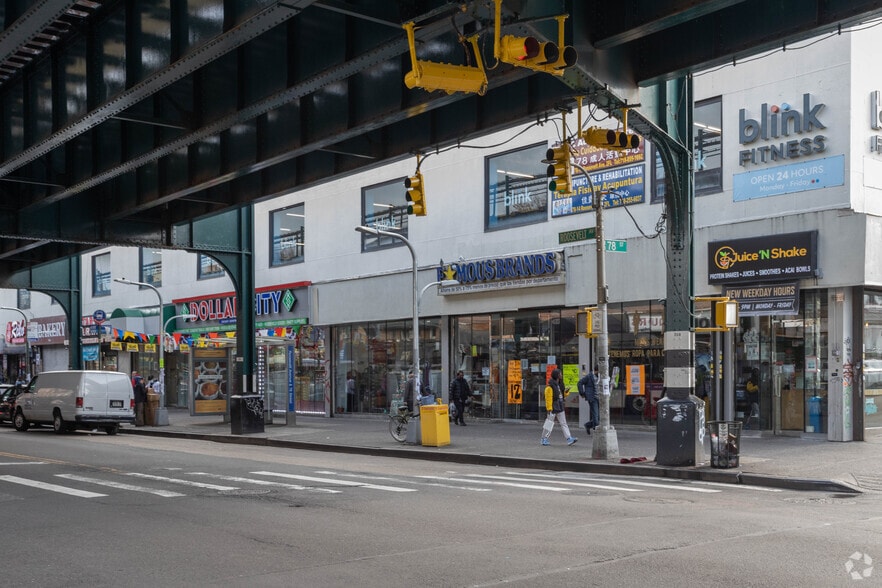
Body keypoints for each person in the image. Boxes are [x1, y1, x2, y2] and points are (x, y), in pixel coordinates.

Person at [541, 368, 577, 446]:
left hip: (559, 405)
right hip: (553, 407)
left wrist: (566, 392)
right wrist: (549, 408)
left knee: (563, 423)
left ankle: (569, 438)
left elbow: (562, 395)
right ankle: (544, 439)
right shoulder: (550, 386)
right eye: (560, 374)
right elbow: (548, 398)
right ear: (557, 375)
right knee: (549, 423)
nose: (561, 375)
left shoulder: (560, 384)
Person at [578, 365, 599, 435]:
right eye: (599, 372)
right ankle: (597, 433)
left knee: (599, 417)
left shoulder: (601, 376)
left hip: (601, 399)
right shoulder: (589, 376)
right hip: (593, 398)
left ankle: (588, 425)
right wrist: (582, 393)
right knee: (596, 416)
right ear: (596, 371)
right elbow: (579, 383)